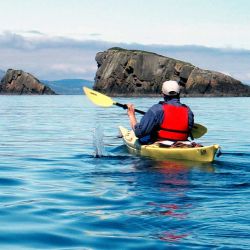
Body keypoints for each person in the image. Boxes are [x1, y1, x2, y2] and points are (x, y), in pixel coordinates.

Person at [127, 80, 194, 144]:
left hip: (161, 143)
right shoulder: (188, 111)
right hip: (181, 143)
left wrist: (131, 115)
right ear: (179, 93)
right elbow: (188, 131)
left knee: (144, 135)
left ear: (163, 94)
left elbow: (139, 133)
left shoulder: (156, 109)